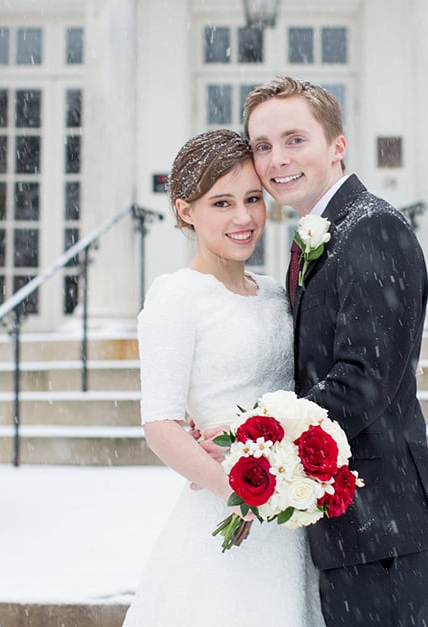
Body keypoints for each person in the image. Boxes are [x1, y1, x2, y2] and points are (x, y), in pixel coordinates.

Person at [242, 76, 428, 626]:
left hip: (384, 528)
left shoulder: (373, 229)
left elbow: (361, 382)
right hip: (351, 527)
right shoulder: (325, 232)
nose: (276, 159)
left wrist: (259, 448)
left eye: (294, 140)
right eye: (262, 146)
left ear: (337, 146)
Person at [122, 129, 324, 626]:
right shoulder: (176, 298)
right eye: (222, 203)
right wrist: (237, 492)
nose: (244, 218)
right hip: (231, 511)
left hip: (295, 516)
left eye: (253, 199)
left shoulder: (277, 292)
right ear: (185, 210)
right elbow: (162, 424)